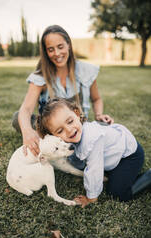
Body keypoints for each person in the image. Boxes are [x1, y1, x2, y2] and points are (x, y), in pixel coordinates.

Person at [12, 24, 114, 157]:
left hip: (79, 127)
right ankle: (58, 144)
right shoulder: (41, 76)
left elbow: (96, 99)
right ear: (46, 52)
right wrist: (27, 132)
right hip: (53, 132)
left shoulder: (86, 70)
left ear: (68, 45)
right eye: (50, 49)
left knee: (107, 127)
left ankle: (75, 144)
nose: (57, 53)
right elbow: (25, 109)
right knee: (17, 118)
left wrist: (99, 114)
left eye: (60, 47)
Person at [36, 98, 151, 206]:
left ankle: (148, 176)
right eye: (60, 131)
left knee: (117, 193)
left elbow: (94, 170)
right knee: (110, 177)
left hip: (128, 155)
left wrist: (91, 198)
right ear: (54, 136)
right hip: (114, 155)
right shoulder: (73, 137)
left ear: (76, 114)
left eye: (70, 121)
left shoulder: (91, 140)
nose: (69, 130)